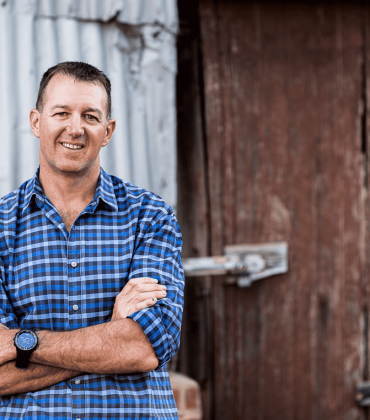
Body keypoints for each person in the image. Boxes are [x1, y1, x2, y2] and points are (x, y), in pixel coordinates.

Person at [0, 61, 184, 419]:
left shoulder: (151, 216)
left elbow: (144, 347)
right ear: (37, 122)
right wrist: (113, 332)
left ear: (108, 130)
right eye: (62, 113)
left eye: (90, 116)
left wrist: (24, 341)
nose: (75, 128)